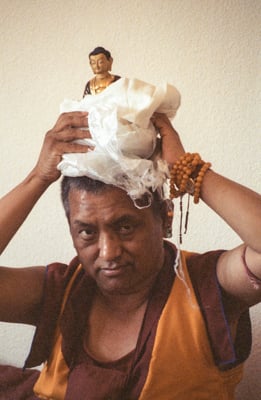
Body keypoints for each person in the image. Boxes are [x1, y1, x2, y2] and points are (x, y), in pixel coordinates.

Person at [0, 109, 260, 400]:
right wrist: (37, 178)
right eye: (86, 232)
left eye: (125, 227)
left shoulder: (204, 285)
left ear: (165, 218)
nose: (108, 252)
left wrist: (189, 171)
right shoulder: (61, 290)